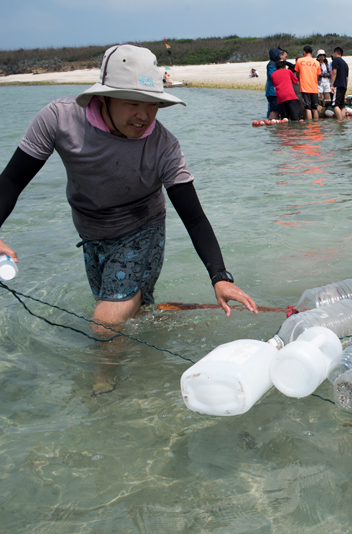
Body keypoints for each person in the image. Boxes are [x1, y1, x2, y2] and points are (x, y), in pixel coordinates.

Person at [0, 45, 258, 340]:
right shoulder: (59, 120)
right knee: (120, 311)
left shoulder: (164, 146)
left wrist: (220, 277)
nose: (144, 115)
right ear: (104, 97)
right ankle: (147, 349)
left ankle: (103, 383)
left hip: (142, 229)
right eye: (132, 102)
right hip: (91, 233)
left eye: (152, 104)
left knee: (103, 325)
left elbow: (194, 217)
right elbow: (10, 182)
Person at [294, 45, 321, 120]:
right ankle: (316, 125)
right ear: (312, 52)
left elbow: (297, 74)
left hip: (305, 87)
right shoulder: (317, 63)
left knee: (308, 108)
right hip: (314, 88)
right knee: (315, 108)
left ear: (304, 52)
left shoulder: (299, 61)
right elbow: (317, 76)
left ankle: (309, 126)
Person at [331, 47, 349, 120]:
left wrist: (331, 84)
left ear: (336, 52)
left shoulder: (335, 60)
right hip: (344, 85)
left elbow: (334, 72)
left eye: (333, 53)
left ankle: (340, 121)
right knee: (342, 106)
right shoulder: (345, 63)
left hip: (337, 85)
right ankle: (342, 121)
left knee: (335, 105)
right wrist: (346, 88)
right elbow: (347, 77)